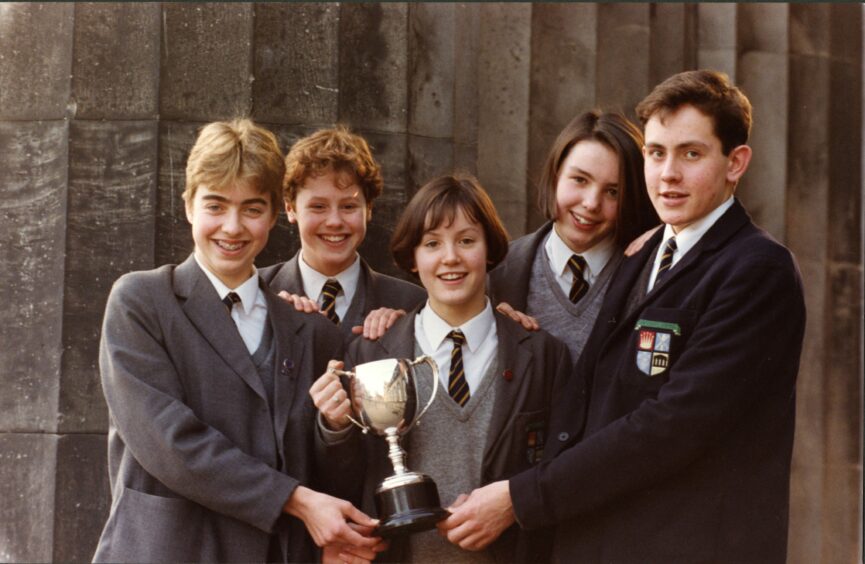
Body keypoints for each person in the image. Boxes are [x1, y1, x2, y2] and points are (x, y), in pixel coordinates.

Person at [446, 70, 807, 563]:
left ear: (735, 162)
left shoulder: (757, 269)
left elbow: (672, 425)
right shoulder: (647, 251)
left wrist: (521, 498)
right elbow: (590, 396)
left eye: (691, 154)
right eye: (656, 153)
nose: (668, 173)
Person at [94, 119, 380, 562]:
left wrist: (336, 428)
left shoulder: (311, 331)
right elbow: (170, 442)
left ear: (272, 214)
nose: (232, 227)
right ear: (189, 206)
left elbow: (329, 475)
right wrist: (296, 500)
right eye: (215, 205)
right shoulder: (141, 301)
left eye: (251, 208)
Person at [311, 174, 572, 563]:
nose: (450, 257)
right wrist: (333, 427)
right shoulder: (370, 354)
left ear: (490, 250)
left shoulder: (543, 356)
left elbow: (561, 474)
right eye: (432, 243)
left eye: (467, 241)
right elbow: (346, 479)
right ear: (413, 259)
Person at [489, 109, 659, 363]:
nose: (591, 203)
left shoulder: (649, 271)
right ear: (555, 175)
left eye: (613, 191)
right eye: (580, 180)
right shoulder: (498, 270)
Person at [260, 126, 426, 341]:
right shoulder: (258, 294)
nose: (335, 222)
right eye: (318, 207)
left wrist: (403, 335)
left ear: (369, 208)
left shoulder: (413, 306)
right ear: (290, 208)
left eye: (348, 207)